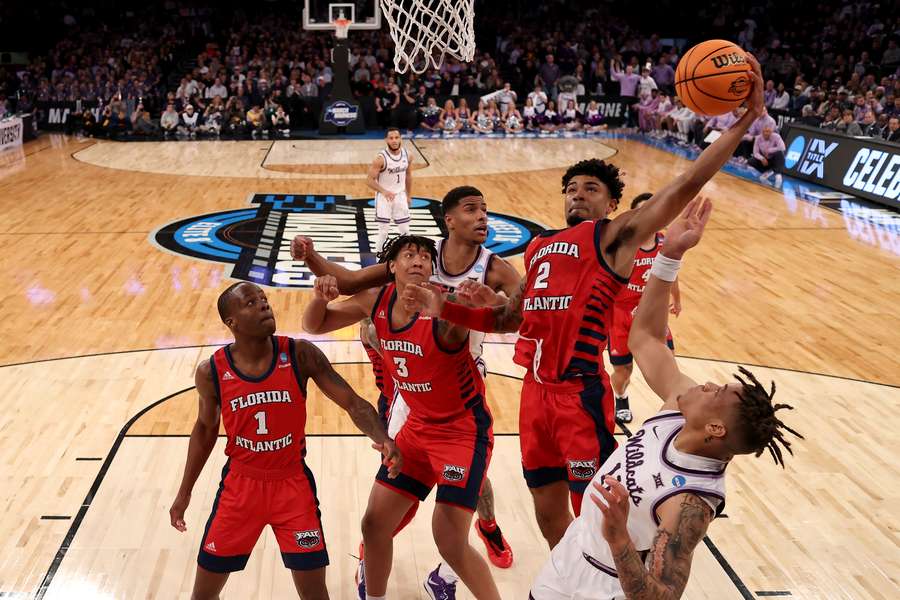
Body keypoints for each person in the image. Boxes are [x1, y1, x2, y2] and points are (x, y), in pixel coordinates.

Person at [402, 54, 768, 550]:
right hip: (534, 395)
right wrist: (443, 308)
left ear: (612, 204)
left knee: (593, 515)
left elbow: (685, 185)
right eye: (571, 188)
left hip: (579, 396)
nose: (577, 195)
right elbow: (512, 318)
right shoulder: (539, 246)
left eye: (591, 188)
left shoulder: (614, 238)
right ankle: (564, 578)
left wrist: (745, 121)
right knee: (548, 512)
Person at [529, 198, 802, 600]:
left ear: (715, 428)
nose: (708, 384)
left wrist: (620, 539)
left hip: (610, 586)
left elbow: (661, 595)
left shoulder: (690, 500)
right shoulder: (680, 405)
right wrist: (670, 255)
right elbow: (645, 337)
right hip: (571, 555)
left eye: (717, 393)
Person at [291, 186, 522, 593]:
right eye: (473, 209)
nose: (418, 260)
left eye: (422, 258)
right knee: (377, 521)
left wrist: (483, 306)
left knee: (452, 529)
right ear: (393, 266)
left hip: (462, 414)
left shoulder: (476, 282)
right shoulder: (382, 292)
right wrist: (313, 269)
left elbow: (517, 315)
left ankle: (481, 532)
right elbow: (319, 320)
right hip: (415, 412)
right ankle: (379, 579)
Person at [168, 282, 400, 600]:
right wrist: (184, 493)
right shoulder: (211, 372)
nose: (264, 305)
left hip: (292, 487)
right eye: (251, 303)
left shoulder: (299, 353)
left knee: (315, 594)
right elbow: (205, 430)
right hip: (240, 489)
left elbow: (352, 402)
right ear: (231, 322)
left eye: (264, 299)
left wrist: (382, 437)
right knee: (203, 596)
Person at [609, 193, 681, 424]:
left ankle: (673, 410)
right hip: (620, 314)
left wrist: (676, 299)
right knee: (623, 370)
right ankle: (620, 397)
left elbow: (671, 272)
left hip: (651, 310)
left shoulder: (664, 243)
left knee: (667, 361)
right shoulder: (623, 244)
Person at [367, 128, 413, 254]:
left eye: (396, 137)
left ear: (400, 139)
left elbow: (408, 176)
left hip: (400, 196)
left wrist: (408, 195)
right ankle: (379, 256)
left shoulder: (408, 155)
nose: (394, 141)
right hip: (384, 197)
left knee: (405, 230)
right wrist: (384, 191)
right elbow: (369, 180)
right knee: (383, 231)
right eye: (391, 138)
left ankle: (407, 254)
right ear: (386, 140)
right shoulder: (380, 159)